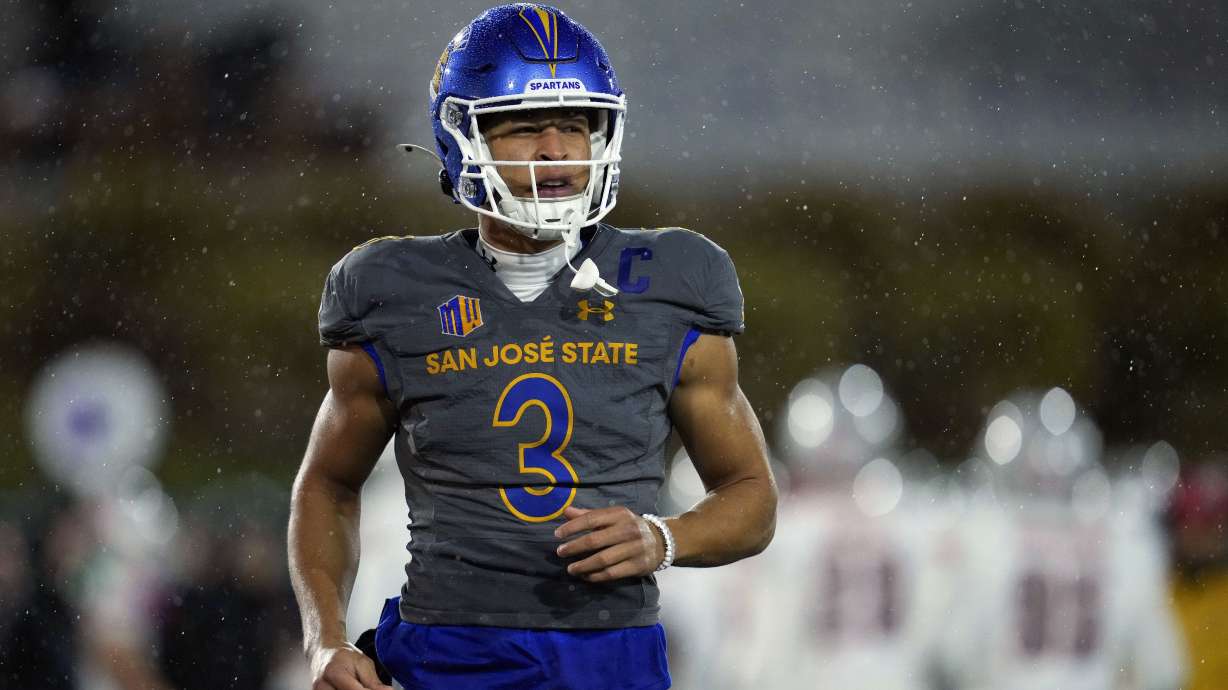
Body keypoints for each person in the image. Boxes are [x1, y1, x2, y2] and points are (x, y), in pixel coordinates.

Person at [287, 5, 777, 690]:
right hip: (448, 653)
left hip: (610, 655)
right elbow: (329, 483)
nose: (556, 151)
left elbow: (751, 496)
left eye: (574, 126)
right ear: (464, 137)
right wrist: (325, 639)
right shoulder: (389, 290)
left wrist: (663, 538)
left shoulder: (672, 282)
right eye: (523, 128)